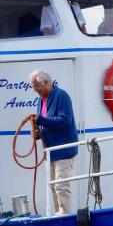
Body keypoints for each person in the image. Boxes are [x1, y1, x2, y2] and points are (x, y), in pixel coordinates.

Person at [29, 69, 78, 215]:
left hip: (63, 149)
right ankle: (59, 215)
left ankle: (65, 216)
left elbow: (65, 120)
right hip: (50, 151)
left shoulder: (61, 96)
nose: (35, 90)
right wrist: (37, 133)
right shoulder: (41, 100)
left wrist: (41, 120)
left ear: (46, 83)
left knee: (61, 186)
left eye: (36, 86)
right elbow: (45, 122)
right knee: (53, 186)